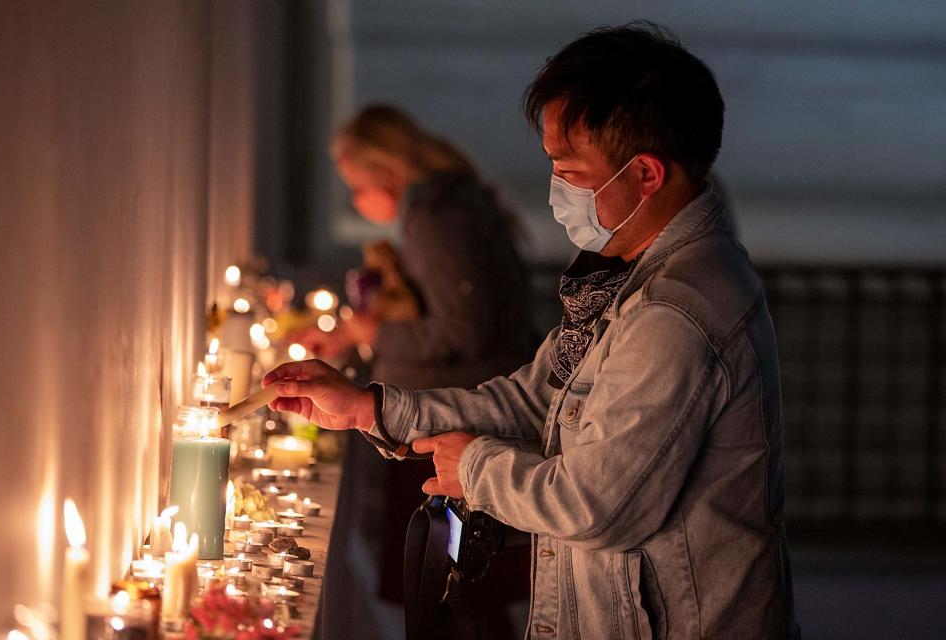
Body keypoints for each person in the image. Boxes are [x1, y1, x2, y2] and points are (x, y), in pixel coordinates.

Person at [268, 22, 800, 640]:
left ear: (647, 174)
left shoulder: (675, 312)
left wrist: (475, 469)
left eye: (569, 171)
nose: (556, 191)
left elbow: (599, 505)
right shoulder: (627, 276)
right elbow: (531, 399)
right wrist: (369, 409)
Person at [304, 105, 535, 639]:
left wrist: (372, 336)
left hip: (454, 417)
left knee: (458, 591)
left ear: (386, 170)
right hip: (457, 410)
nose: (358, 201)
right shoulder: (452, 203)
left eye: (358, 186)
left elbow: (460, 331)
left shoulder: (438, 217)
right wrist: (351, 334)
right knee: (462, 593)